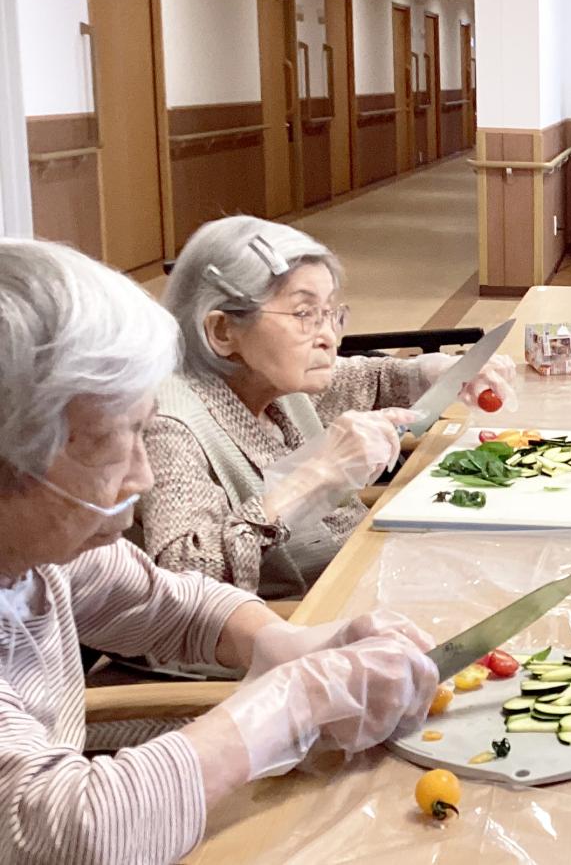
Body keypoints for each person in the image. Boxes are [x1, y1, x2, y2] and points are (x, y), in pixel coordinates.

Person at [0, 239, 441, 863]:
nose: (142, 476)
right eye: (111, 441)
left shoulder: (45, 553)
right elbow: (73, 830)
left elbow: (162, 598)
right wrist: (293, 701)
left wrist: (279, 642)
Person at [140, 216, 515, 598]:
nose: (330, 337)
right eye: (304, 315)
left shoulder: (271, 379)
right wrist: (316, 475)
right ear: (222, 331)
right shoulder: (168, 424)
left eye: (331, 314)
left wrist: (433, 372)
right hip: (300, 623)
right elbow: (182, 577)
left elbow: (366, 379)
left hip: (359, 574)